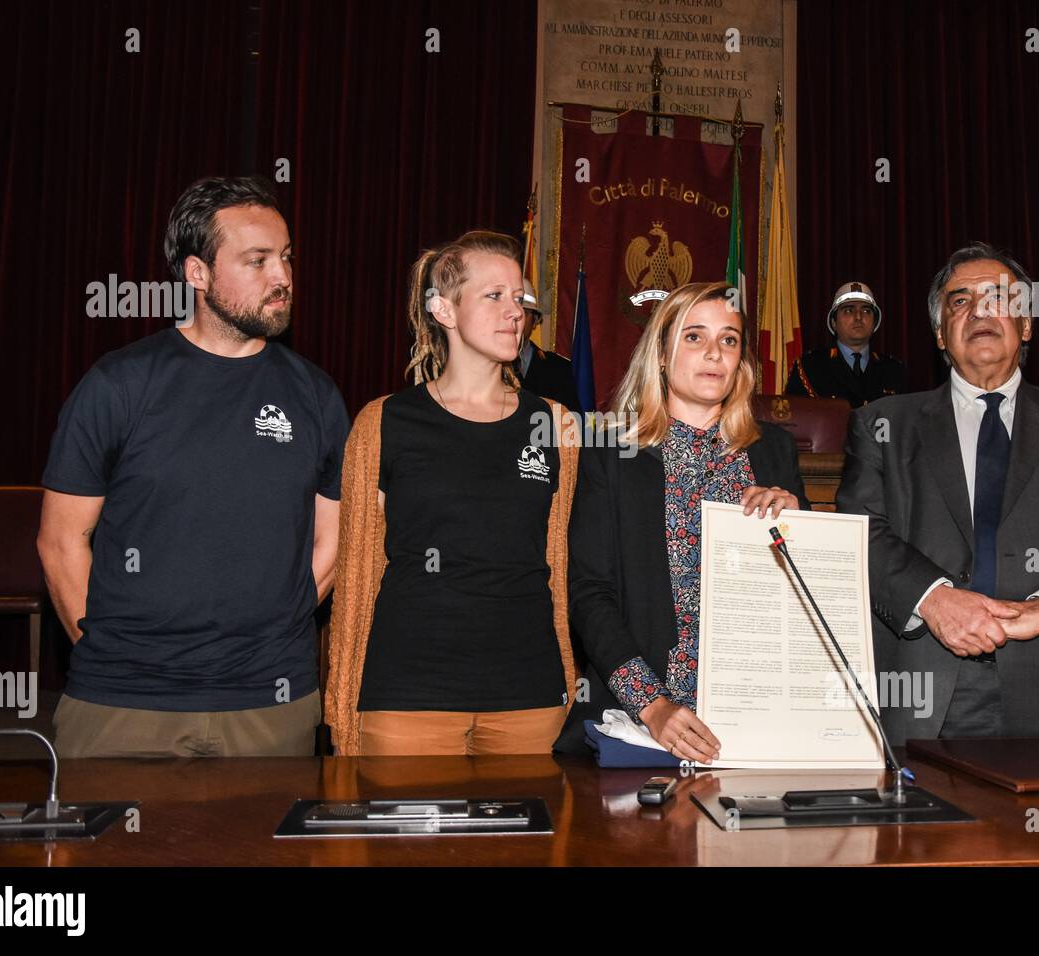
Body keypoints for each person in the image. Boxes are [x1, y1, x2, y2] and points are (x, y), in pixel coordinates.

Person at [37, 175, 348, 757]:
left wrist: (271, 634)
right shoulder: (119, 384)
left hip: (271, 701)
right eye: (256, 261)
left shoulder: (316, 395)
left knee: (267, 851)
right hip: (125, 704)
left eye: (284, 258)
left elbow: (333, 540)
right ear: (196, 273)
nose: (282, 276)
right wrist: (113, 656)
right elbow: (61, 542)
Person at [837, 242, 1039, 745]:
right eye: (961, 301)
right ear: (941, 334)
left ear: (1027, 325)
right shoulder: (880, 424)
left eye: (999, 298)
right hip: (920, 697)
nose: (980, 310)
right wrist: (936, 600)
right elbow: (859, 534)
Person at [325, 230, 580, 756]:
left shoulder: (557, 427)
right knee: (405, 840)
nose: (516, 312)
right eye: (494, 296)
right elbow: (356, 572)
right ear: (443, 309)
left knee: (522, 841)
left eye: (520, 298)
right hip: (408, 695)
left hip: (528, 697)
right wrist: (344, 700)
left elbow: (564, 559)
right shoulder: (383, 421)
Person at [556, 281, 809, 760]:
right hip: (641, 720)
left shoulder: (773, 451)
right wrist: (652, 706)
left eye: (729, 340)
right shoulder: (611, 452)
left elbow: (805, 595)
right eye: (695, 337)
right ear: (662, 355)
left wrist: (799, 529)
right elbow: (590, 595)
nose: (714, 353)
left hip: (760, 712)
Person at [787, 281, 906, 406]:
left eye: (866, 311)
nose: (858, 317)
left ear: (875, 322)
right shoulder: (809, 368)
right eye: (849, 310)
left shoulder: (894, 370)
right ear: (834, 322)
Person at [512, 279, 582, 412]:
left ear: (535, 320)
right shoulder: (486, 366)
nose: (515, 319)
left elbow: (572, 423)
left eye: (523, 313)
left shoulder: (559, 369)